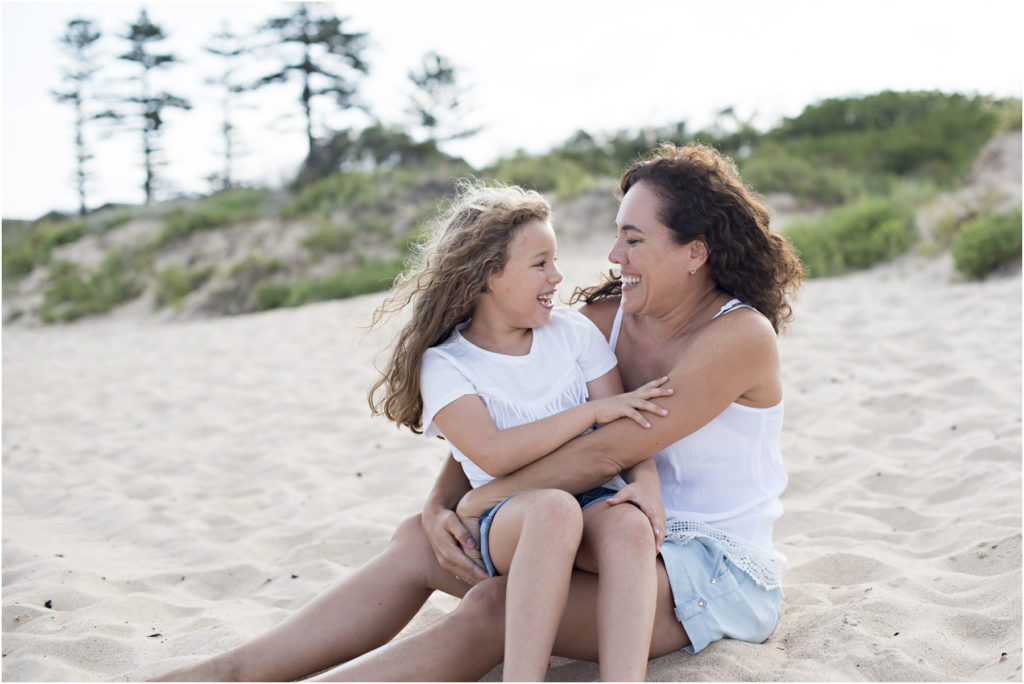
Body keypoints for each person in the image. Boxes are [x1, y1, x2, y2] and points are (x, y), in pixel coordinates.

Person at [152, 142, 802, 682]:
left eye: (633, 240)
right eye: (616, 237)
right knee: (419, 539)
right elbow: (511, 416)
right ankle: (228, 673)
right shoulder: (601, 320)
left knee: (496, 606)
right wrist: (442, 506)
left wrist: (485, 498)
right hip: (594, 529)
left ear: (696, 251)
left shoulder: (738, 338)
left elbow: (612, 449)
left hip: (708, 569)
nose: (612, 257)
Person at [365, 180, 669, 680]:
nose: (557, 275)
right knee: (552, 511)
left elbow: (628, 425)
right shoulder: (446, 364)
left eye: (555, 259)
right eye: (540, 263)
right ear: (487, 276)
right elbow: (495, 455)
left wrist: (647, 487)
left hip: (591, 498)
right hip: (507, 518)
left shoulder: (572, 333)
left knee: (629, 525)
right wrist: (589, 415)